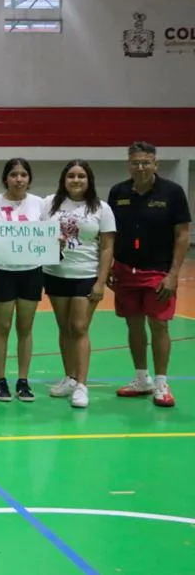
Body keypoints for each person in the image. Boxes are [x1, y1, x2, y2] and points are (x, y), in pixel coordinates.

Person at [108, 141, 191, 408]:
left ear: (155, 164)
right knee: (133, 325)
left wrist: (173, 274)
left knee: (159, 325)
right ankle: (141, 378)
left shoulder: (173, 192)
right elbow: (109, 234)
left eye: (146, 162)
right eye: (135, 162)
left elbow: (182, 235)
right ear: (129, 164)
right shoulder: (118, 192)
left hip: (158, 271)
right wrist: (108, 266)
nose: (141, 167)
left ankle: (161, 383)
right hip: (125, 270)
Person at [42, 160, 116, 409]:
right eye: (71, 176)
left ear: (89, 180)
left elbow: (107, 247)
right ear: (64, 180)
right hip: (55, 272)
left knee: (80, 327)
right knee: (64, 328)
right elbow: (37, 233)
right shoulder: (49, 203)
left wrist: (101, 282)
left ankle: (82, 385)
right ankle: (70, 377)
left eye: (81, 176)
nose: (76, 180)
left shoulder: (101, 208)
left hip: (86, 274)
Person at [0, 158, 44, 403]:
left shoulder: (39, 203)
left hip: (31, 272)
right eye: (14, 174)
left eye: (23, 174)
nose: (19, 179)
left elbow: (46, 234)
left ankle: (23, 381)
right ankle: (0, 380)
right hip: (3, 272)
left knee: (25, 328)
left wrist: (54, 241)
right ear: (6, 178)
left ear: (29, 178)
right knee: (3, 326)